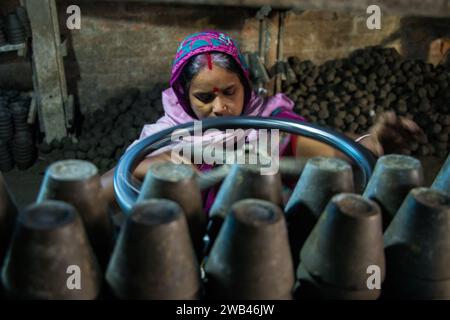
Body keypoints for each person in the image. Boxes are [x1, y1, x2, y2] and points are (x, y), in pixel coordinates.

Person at [101, 30, 426, 211]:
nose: (221, 107)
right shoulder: (166, 136)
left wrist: (372, 143)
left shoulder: (272, 120)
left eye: (230, 91)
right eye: (205, 97)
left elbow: (328, 151)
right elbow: (109, 183)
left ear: (244, 83)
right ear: (184, 97)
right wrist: (151, 165)